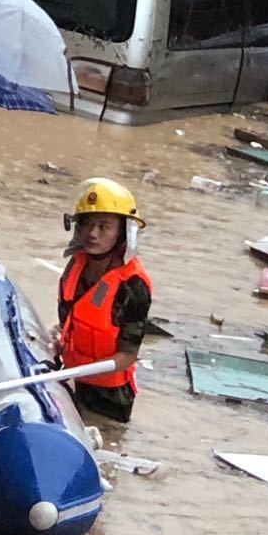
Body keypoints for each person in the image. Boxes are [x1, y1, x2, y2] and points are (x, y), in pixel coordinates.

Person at [57, 178, 152, 423]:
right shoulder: (76, 267)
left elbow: (128, 355)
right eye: (87, 224)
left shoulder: (133, 286)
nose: (92, 234)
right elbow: (70, 320)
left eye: (104, 227)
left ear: (122, 233)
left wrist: (80, 371)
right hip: (75, 381)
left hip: (110, 397)